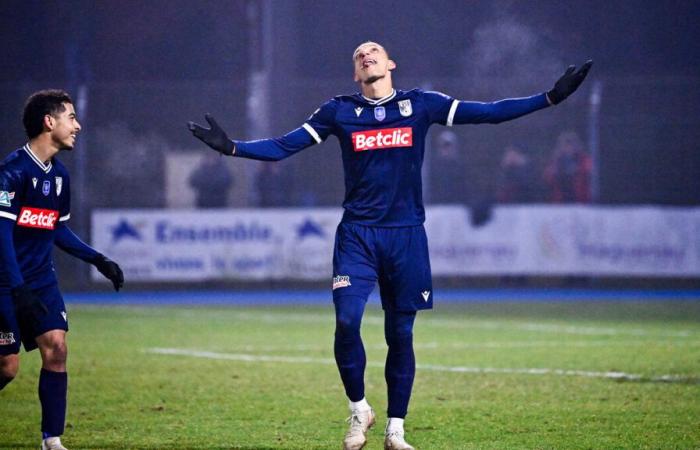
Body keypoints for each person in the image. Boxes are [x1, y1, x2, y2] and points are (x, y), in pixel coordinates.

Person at [189, 42, 592, 450]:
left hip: (406, 236)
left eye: (375, 51)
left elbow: (487, 113)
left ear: (390, 63)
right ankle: (359, 408)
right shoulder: (339, 111)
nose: (367, 54)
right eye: (359, 54)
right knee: (347, 320)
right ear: (355, 73)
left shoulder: (421, 105)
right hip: (358, 236)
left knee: (400, 333)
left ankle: (395, 428)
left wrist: (550, 98)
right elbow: (283, 146)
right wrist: (233, 148)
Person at [0, 90, 124, 450]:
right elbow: (2, 234)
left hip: (40, 278)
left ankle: (51, 440)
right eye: (71, 117)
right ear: (48, 122)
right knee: (6, 367)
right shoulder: (11, 173)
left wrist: (97, 259)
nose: (78, 126)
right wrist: (17, 289)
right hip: (7, 282)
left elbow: (56, 228)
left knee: (57, 348)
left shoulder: (59, 177)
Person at [543, 130, 592, 203]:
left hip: (579, 197)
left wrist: (578, 170)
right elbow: (547, 176)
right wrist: (552, 172)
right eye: (565, 145)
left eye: (570, 145)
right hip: (560, 197)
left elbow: (588, 172)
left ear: (576, 146)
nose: (568, 148)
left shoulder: (583, 158)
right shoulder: (556, 159)